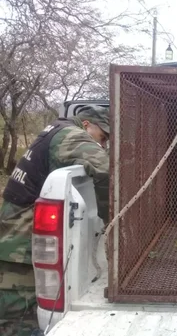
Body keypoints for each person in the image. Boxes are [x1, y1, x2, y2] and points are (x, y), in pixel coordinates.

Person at [0, 105, 110, 336]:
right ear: (87, 124)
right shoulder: (72, 135)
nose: (102, 144)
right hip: (17, 239)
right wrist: (110, 217)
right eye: (103, 137)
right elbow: (104, 168)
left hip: (14, 228)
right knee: (15, 314)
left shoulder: (56, 128)